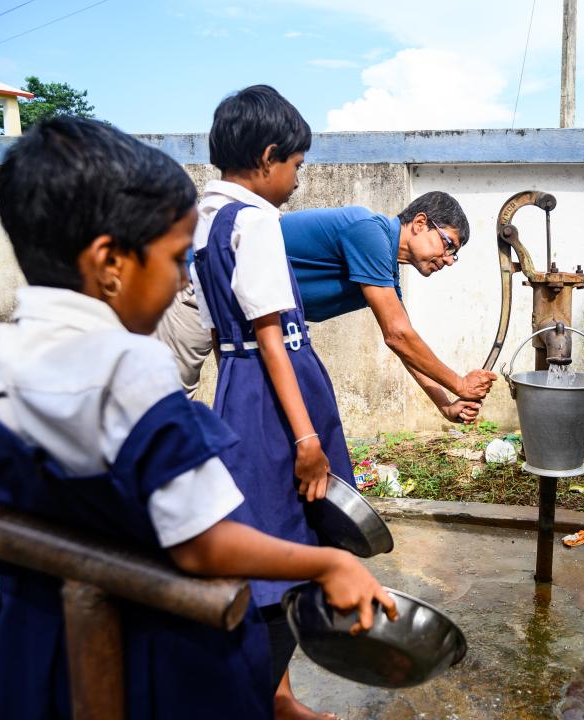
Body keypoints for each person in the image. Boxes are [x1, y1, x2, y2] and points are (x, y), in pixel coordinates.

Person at [0, 116, 396, 720]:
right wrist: (329, 561)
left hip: (29, 650)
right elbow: (204, 545)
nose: (187, 277)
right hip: (144, 660)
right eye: (177, 256)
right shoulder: (130, 371)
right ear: (110, 262)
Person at [189, 85, 358, 720]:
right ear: (267, 157)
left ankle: (279, 699)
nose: (297, 180)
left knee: (261, 536)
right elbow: (268, 334)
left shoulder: (202, 220)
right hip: (275, 394)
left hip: (237, 390)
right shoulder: (256, 219)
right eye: (296, 165)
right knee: (290, 550)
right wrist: (307, 439)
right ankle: (255, 699)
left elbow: (215, 332)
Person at [157, 193, 497, 421]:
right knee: (165, 405)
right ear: (420, 223)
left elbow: (404, 345)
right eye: (448, 245)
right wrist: (459, 384)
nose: (449, 260)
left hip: (248, 318)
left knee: (260, 419)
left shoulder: (384, 272)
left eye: (455, 253)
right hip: (198, 289)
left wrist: (444, 404)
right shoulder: (369, 232)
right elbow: (398, 335)